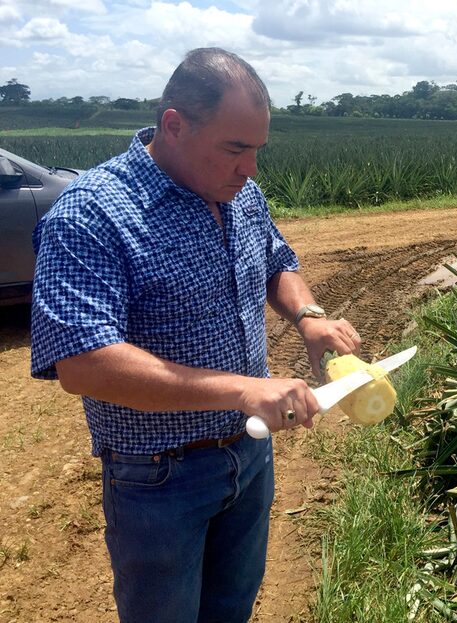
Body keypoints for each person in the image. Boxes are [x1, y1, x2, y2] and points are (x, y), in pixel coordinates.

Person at [29, 47, 360, 622]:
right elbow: (81, 362)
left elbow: (276, 261)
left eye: (257, 150)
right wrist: (241, 390)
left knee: (231, 609)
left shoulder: (241, 194)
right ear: (174, 125)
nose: (250, 168)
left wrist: (308, 315)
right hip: (158, 477)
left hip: (249, 455)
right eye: (235, 148)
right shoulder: (92, 213)